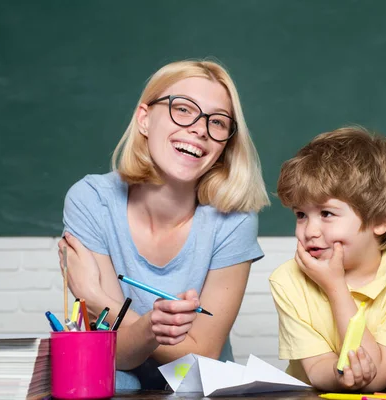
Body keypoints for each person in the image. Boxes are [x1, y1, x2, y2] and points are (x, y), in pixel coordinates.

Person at [58, 59, 269, 390]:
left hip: (198, 390)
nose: (200, 129)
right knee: (120, 381)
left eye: (217, 121)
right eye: (183, 109)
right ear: (144, 119)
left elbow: (204, 357)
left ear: (225, 143)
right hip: (120, 383)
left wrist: (96, 299)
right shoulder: (91, 201)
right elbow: (120, 357)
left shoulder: (234, 218)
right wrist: (154, 326)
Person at [269, 126, 386, 392]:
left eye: (326, 213)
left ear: (382, 219)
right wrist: (340, 377)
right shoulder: (288, 279)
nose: (310, 231)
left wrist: (335, 288)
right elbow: (315, 368)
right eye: (301, 215)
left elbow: (377, 377)